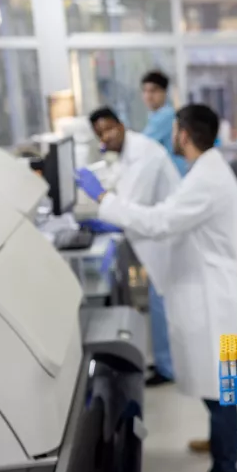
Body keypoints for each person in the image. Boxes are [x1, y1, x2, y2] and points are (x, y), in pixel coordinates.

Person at [76, 104, 237, 472]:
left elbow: (160, 221)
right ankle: (219, 440)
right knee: (215, 375)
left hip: (214, 294)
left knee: (222, 379)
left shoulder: (207, 178)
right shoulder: (206, 169)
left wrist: (102, 198)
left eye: (174, 130)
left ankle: (225, 469)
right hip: (207, 286)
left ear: (183, 134)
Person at [87, 106, 182, 388]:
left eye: (109, 128)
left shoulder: (144, 153)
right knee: (159, 303)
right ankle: (163, 362)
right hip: (154, 239)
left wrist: (104, 206)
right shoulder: (128, 153)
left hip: (164, 240)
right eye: (100, 134)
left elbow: (132, 210)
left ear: (122, 124)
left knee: (164, 306)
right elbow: (124, 193)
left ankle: (167, 367)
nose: (106, 136)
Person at [141, 70, 189, 176]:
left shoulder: (166, 115)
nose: (148, 96)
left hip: (175, 175)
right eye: (145, 91)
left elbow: (142, 144)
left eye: (153, 91)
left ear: (164, 92)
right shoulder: (155, 116)